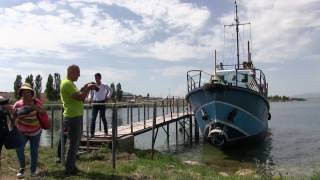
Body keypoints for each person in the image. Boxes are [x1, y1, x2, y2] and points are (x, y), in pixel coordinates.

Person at [59, 65, 97, 175]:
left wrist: (85, 87)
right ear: (71, 72)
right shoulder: (67, 84)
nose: (79, 75)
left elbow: (78, 95)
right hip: (72, 117)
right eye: (78, 73)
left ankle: (71, 166)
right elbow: (80, 97)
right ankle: (69, 168)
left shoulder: (70, 84)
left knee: (74, 144)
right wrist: (88, 88)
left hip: (75, 116)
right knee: (73, 144)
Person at [13, 83, 46, 178]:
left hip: (36, 131)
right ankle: (22, 168)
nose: (26, 94)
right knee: (19, 149)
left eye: (28, 92)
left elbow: (44, 112)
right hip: (21, 132)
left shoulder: (37, 102)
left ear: (31, 93)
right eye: (24, 92)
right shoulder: (18, 104)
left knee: (34, 151)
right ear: (21, 93)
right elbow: (13, 116)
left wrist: (38, 109)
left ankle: (33, 171)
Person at [89, 73, 112, 137]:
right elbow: (90, 92)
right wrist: (90, 98)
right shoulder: (93, 85)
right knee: (93, 118)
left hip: (102, 103)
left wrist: (108, 96)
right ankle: (92, 133)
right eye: (96, 78)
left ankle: (106, 132)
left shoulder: (104, 85)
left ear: (100, 78)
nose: (97, 79)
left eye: (98, 78)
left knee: (103, 117)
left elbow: (111, 90)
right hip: (95, 103)